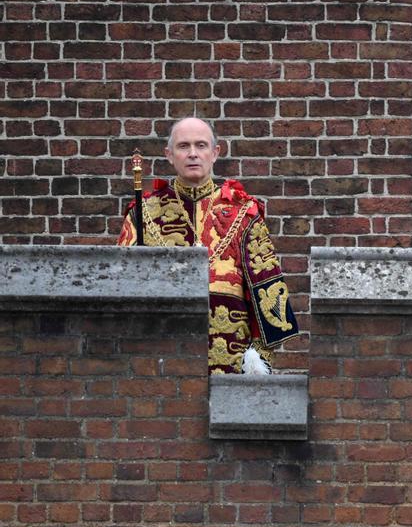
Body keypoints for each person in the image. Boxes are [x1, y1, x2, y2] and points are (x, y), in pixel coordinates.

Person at [118, 117, 299, 375]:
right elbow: (125, 287)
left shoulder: (243, 211)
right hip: (164, 356)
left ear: (215, 153)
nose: (193, 154)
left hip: (232, 356)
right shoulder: (142, 213)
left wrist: (259, 357)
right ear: (169, 155)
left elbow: (267, 287)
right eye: (183, 146)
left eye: (201, 145)